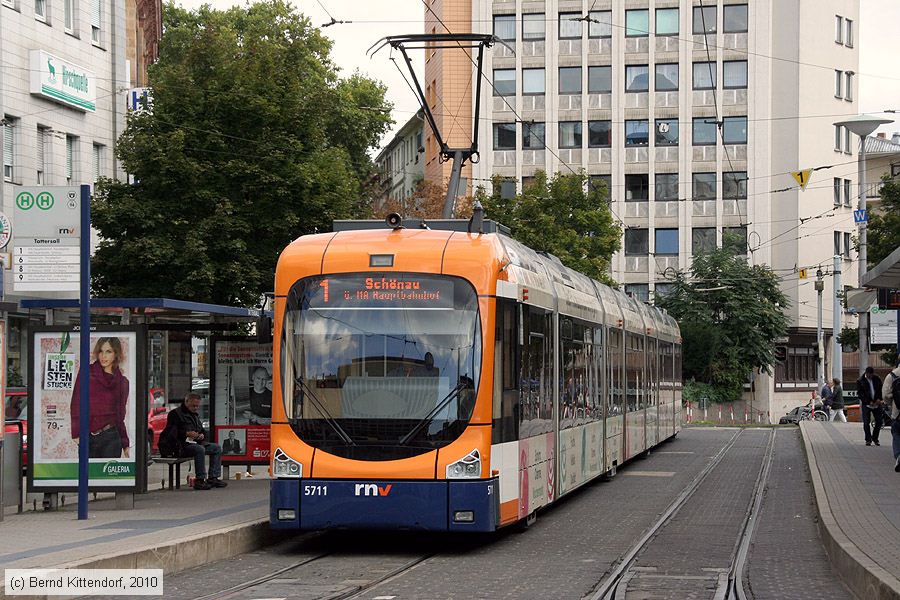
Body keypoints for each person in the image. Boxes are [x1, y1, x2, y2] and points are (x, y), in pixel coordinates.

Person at [70, 337, 130, 459]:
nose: (103, 356)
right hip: (87, 436)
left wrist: (125, 443)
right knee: (87, 476)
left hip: (111, 437)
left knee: (107, 478)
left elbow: (120, 415)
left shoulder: (122, 382)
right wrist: (76, 433)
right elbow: (76, 403)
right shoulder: (87, 372)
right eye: (101, 351)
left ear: (116, 354)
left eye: (109, 351)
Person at [165, 393, 227, 490]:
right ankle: (200, 479)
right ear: (186, 402)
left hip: (195, 442)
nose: (196, 408)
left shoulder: (194, 415)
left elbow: (201, 430)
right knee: (199, 449)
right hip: (181, 445)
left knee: (216, 448)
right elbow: (171, 433)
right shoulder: (175, 414)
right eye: (193, 405)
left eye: (197, 406)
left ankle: (213, 477)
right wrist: (186, 433)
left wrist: (201, 435)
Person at [856, 367, 884, 446]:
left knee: (879, 421)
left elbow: (880, 389)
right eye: (869, 375)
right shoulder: (860, 381)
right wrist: (868, 401)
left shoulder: (877, 379)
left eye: (871, 375)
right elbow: (860, 394)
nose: (870, 376)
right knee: (866, 422)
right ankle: (868, 439)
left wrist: (879, 399)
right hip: (867, 404)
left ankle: (875, 438)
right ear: (866, 373)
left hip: (877, 403)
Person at [882, 361, 900, 472]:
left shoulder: (892, 375)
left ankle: (898, 455)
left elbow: (885, 395)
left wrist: (891, 403)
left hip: (897, 414)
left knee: (897, 434)